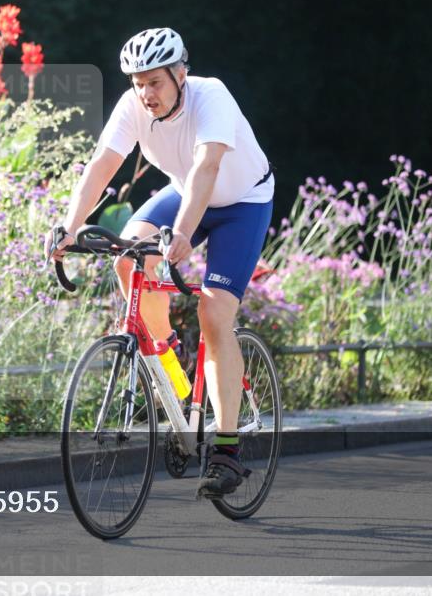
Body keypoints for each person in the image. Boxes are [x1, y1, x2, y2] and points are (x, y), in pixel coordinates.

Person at [45, 27, 275, 498]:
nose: (146, 93)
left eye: (155, 82)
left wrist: (186, 234)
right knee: (128, 258)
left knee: (213, 314)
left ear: (180, 73)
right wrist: (69, 227)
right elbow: (102, 165)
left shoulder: (211, 97)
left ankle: (227, 450)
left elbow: (207, 168)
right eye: (137, 83)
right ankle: (173, 378)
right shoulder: (132, 107)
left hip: (242, 203)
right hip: (184, 192)